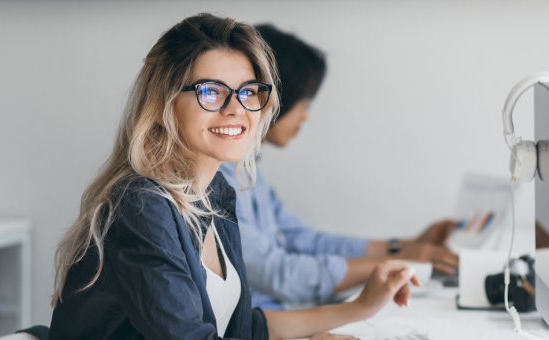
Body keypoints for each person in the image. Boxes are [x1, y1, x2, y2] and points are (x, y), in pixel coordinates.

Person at [48, 13, 420, 340]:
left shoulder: (215, 193)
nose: (235, 109)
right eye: (211, 92)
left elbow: (243, 330)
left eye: (248, 92)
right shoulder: (142, 205)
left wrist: (361, 307)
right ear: (163, 105)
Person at [218, 25, 459, 311]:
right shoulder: (217, 180)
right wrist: (398, 262)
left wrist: (405, 246)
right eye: (304, 100)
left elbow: (305, 240)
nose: (306, 114)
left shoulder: (250, 174)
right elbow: (278, 272)